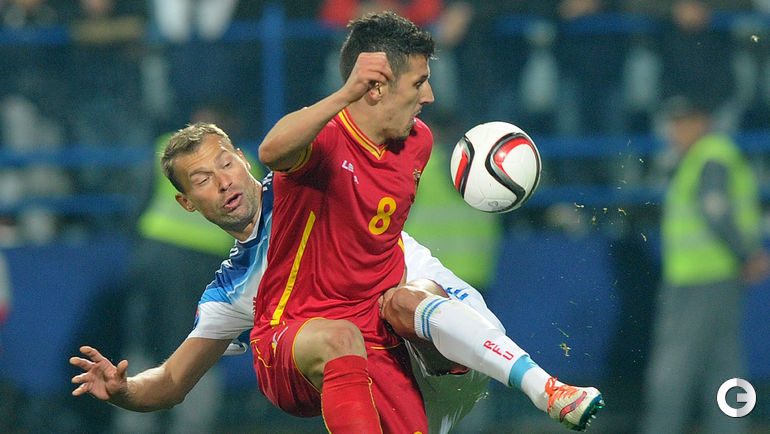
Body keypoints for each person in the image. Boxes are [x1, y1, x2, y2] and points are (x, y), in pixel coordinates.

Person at [71, 122, 603, 432]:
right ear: (187, 203)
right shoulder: (232, 289)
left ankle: (548, 389)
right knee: (341, 337)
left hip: (455, 340)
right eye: (202, 180)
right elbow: (170, 382)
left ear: (245, 160)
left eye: (226, 164)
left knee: (401, 301)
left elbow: (359, 127)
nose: (224, 182)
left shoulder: (305, 179)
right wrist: (123, 390)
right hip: (395, 395)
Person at [257, 10, 602, 433]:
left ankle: (538, 386)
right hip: (292, 334)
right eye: (419, 82)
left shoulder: (417, 142)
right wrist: (345, 93)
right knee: (342, 336)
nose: (430, 96)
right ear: (375, 88)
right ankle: (536, 385)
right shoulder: (325, 137)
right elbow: (271, 151)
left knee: (407, 304)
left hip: (377, 338)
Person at [641, 95, 770, 433]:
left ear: (702, 122)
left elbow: (715, 209)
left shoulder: (710, 156)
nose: (674, 131)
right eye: (673, 123)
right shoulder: (707, 156)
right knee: (723, 365)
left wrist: (747, 254)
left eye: (682, 122)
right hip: (719, 276)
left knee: (676, 367)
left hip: (698, 280)